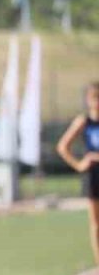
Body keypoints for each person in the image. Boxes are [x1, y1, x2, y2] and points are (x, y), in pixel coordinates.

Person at [54, 81, 99, 264]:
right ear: (88, 100)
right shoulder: (84, 122)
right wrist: (79, 164)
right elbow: (63, 146)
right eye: (94, 98)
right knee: (96, 223)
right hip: (94, 173)